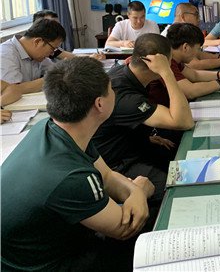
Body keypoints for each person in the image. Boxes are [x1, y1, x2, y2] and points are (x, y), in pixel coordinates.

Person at [1, 57, 155, 271]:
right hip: (47, 264)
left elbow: (107, 176)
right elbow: (123, 229)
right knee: (145, 243)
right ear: (99, 104)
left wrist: (134, 193)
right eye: (111, 89)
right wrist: (139, 192)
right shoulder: (71, 177)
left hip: (43, 243)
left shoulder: (53, 127)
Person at [92, 33, 194, 199]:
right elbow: (184, 121)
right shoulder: (124, 96)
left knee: (176, 147)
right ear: (154, 63)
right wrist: (167, 73)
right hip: (116, 165)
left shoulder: (125, 73)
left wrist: (144, 136)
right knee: (176, 190)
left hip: (129, 144)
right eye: (168, 61)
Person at [148, 23, 220, 106]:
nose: (197, 53)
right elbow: (190, 91)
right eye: (198, 49)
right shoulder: (166, 61)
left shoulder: (174, 57)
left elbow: (195, 75)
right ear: (185, 47)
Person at [161, 2, 220, 69]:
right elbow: (194, 65)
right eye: (196, 15)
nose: (199, 19)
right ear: (183, 17)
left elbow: (197, 54)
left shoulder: (183, 32)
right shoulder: (170, 35)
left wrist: (219, 56)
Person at [0, 18, 66, 93]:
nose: (52, 54)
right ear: (37, 42)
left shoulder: (37, 54)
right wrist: (52, 78)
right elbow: (11, 90)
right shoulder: (5, 54)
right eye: (52, 49)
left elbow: (54, 71)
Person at [32, 9, 105, 61]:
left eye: (58, 25)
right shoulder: (37, 49)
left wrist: (91, 57)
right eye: (52, 25)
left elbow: (71, 56)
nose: (57, 29)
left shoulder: (51, 44)